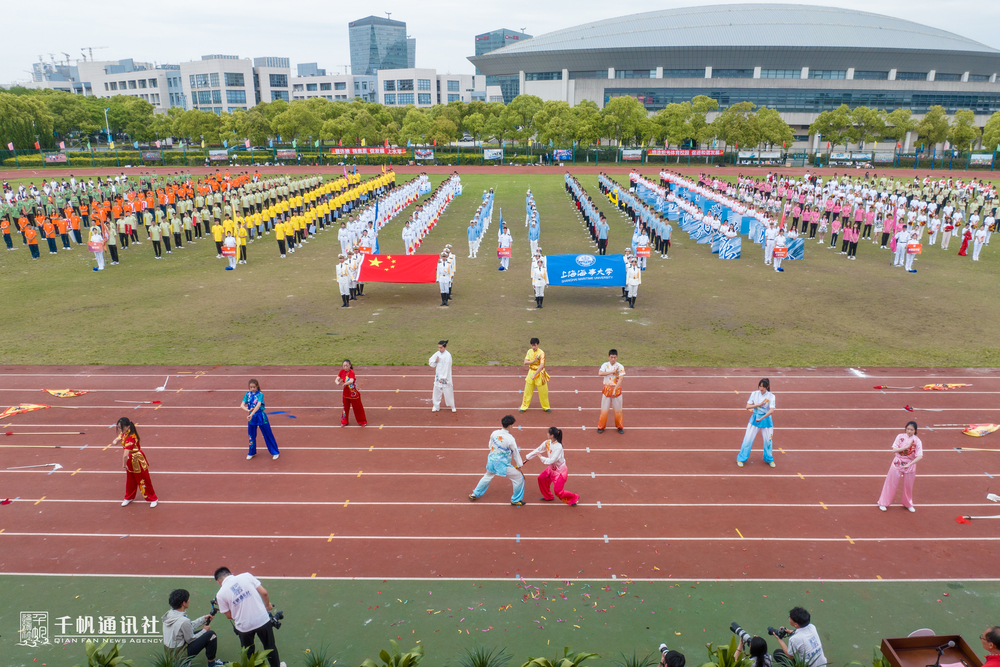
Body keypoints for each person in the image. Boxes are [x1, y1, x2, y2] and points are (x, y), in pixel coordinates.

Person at [214, 567, 284, 667]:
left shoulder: (220, 594)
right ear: (230, 573)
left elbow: (228, 616)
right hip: (262, 621)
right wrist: (267, 606)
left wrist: (241, 614)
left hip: (244, 627)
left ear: (218, 582)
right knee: (270, 647)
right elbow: (264, 593)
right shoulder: (246, 576)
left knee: (248, 652)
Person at [469, 414, 525, 506]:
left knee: (488, 476)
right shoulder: (510, 439)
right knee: (518, 478)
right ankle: (515, 500)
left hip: (491, 461)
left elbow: (490, 445)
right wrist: (519, 465)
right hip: (502, 464)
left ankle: (474, 494)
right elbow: (515, 452)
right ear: (510, 425)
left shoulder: (494, 433)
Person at [162, 589, 223, 667]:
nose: (189, 601)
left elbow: (187, 627)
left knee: (205, 633)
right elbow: (191, 639)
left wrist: (203, 619)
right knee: (211, 635)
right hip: (179, 655)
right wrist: (204, 630)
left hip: (171, 652)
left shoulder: (170, 614)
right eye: (188, 599)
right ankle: (211, 664)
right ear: (183, 603)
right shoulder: (183, 621)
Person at [524, 426, 579, 506]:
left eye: (548, 433)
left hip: (560, 471)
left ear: (552, 435)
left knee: (558, 492)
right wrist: (527, 458)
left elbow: (551, 460)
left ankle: (574, 498)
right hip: (551, 469)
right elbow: (538, 449)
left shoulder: (558, 447)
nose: (547, 434)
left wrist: (540, 457)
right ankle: (548, 496)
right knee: (541, 478)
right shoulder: (547, 442)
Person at [877, 420, 922, 512]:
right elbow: (894, 450)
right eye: (908, 429)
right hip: (897, 463)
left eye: (911, 430)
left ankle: (908, 503)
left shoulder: (917, 441)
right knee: (890, 483)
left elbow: (920, 456)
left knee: (908, 486)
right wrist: (905, 447)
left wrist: (909, 464)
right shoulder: (900, 436)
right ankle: (883, 503)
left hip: (910, 465)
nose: (909, 431)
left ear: (915, 431)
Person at [112, 417, 158, 508]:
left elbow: (125, 454)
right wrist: (116, 440)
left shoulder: (131, 437)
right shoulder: (125, 433)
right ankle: (129, 497)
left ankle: (153, 498)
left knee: (143, 479)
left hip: (137, 459)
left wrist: (123, 464)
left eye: (121, 427)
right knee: (130, 479)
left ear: (128, 426)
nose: (120, 429)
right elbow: (119, 437)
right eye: (119, 427)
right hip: (130, 459)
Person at [737, 378, 776, 468]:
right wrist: (758, 405)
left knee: (768, 441)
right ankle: (741, 458)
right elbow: (747, 406)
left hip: (766, 420)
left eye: (763, 387)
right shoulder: (754, 394)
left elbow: (771, 410)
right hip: (754, 419)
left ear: (767, 387)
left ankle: (769, 459)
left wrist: (761, 418)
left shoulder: (771, 396)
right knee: (748, 439)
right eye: (760, 386)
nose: (761, 388)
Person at [241, 379, 280, 461]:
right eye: (251, 387)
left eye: (254, 387)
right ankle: (252, 452)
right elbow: (241, 405)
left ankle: (275, 452)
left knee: (268, 434)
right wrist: (247, 410)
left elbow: (258, 405)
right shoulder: (247, 394)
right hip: (252, 418)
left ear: (257, 386)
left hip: (261, 416)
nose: (252, 389)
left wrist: (251, 414)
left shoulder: (260, 394)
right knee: (251, 435)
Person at [597, 349, 625, 434]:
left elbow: (621, 379)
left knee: (618, 410)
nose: (613, 359)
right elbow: (600, 373)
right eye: (611, 357)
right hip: (607, 389)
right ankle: (601, 426)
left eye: (614, 357)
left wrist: (615, 390)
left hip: (616, 390)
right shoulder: (605, 365)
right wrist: (612, 372)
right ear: (609, 357)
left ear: (617, 357)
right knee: (604, 409)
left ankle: (619, 426)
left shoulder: (620, 366)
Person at [520, 337, 550, 412]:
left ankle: (546, 407)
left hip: (540, 374)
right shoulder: (529, 351)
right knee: (527, 391)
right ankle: (524, 406)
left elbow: (541, 365)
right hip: (531, 372)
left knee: (543, 392)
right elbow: (525, 362)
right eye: (532, 345)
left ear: (538, 345)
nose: (533, 347)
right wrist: (533, 361)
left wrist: (535, 375)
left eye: (535, 345)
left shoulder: (541, 353)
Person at [335, 359, 367, 427]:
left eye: (346, 365)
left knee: (358, 407)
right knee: (345, 408)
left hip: (353, 393)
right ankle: (344, 421)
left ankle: (362, 421)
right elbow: (336, 379)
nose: (345, 367)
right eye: (344, 366)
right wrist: (337, 382)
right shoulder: (342, 371)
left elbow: (351, 380)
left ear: (350, 365)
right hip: (346, 393)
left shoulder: (351, 372)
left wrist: (345, 384)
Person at [428, 340, 456, 412]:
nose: (439, 349)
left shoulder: (448, 356)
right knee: (436, 391)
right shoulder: (437, 354)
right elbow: (431, 362)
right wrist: (435, 361)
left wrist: (443, 378)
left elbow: (447, 368)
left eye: (441, 348)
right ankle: (436, 406)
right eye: (438, 347)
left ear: (445, 347)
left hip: (445, 377)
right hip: (438, 376)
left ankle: (452, 406)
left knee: (448, 391)